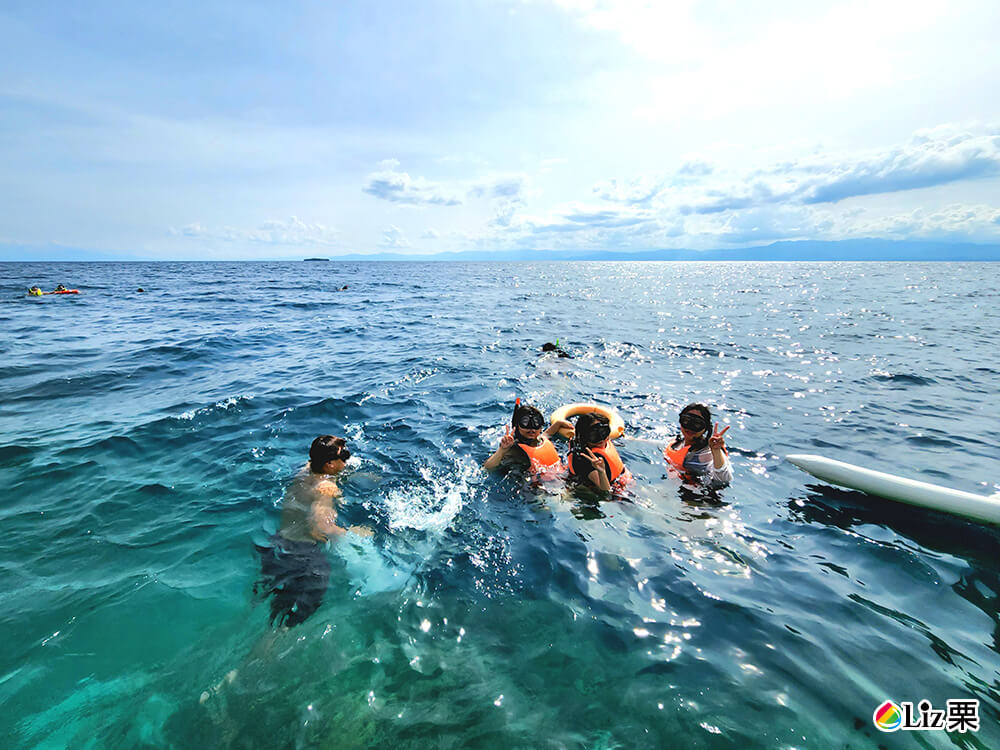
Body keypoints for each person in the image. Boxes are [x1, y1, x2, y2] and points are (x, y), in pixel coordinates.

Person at [254, 435, 352, 628]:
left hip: (278, 544)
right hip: (303, 556)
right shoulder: (326, 488)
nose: (348, 459)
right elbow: (323, 527)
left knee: (277, 608)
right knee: (296, 616)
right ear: (330, 464)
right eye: (345, 456)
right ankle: (272, 644)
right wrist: (354, 532)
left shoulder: (304, 471)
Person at [484, 402, 572, 475]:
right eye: (525, 423)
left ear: (541, 427)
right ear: (516, 426)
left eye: (536, 424)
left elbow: (547, 434)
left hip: (560, 478)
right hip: (537, 489)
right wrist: (502, 450)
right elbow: (487, 467)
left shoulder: (541, 440)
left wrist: (558, 423)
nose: (532, 429)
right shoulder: (514, 449)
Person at [663, 404, 732, 488]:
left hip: (699, 495)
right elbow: (661, 445)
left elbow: (724, 479)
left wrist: (716, 451)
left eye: (697, 424)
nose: (691, 427)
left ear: (705, 428)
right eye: (686, 420)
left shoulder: (707, 453)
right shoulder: (677, 442)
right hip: (677, 486)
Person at [566, 412, 630, 493]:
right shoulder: (585, 458)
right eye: (594, 435)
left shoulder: (602, 442)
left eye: (604, 432)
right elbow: (605, 491)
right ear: (584, 437)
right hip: (602, 493)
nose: (602, 439)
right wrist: (601, 471)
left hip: (623, 481)